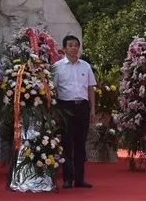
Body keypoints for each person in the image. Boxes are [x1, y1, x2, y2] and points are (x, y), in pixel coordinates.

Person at [53, 35, 96, 189]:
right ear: (64, 49)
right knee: (67, 144)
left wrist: (93, 109)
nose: (74, 48)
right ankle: (66, 179)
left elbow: (91, 88)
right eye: (70, 45)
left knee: (80, 144)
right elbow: (53, 90)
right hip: (65, 108)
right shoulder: (57, 67)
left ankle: (79, 179)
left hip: (82, 107)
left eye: (76, 45)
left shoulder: (86, 66)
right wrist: (56, 112)